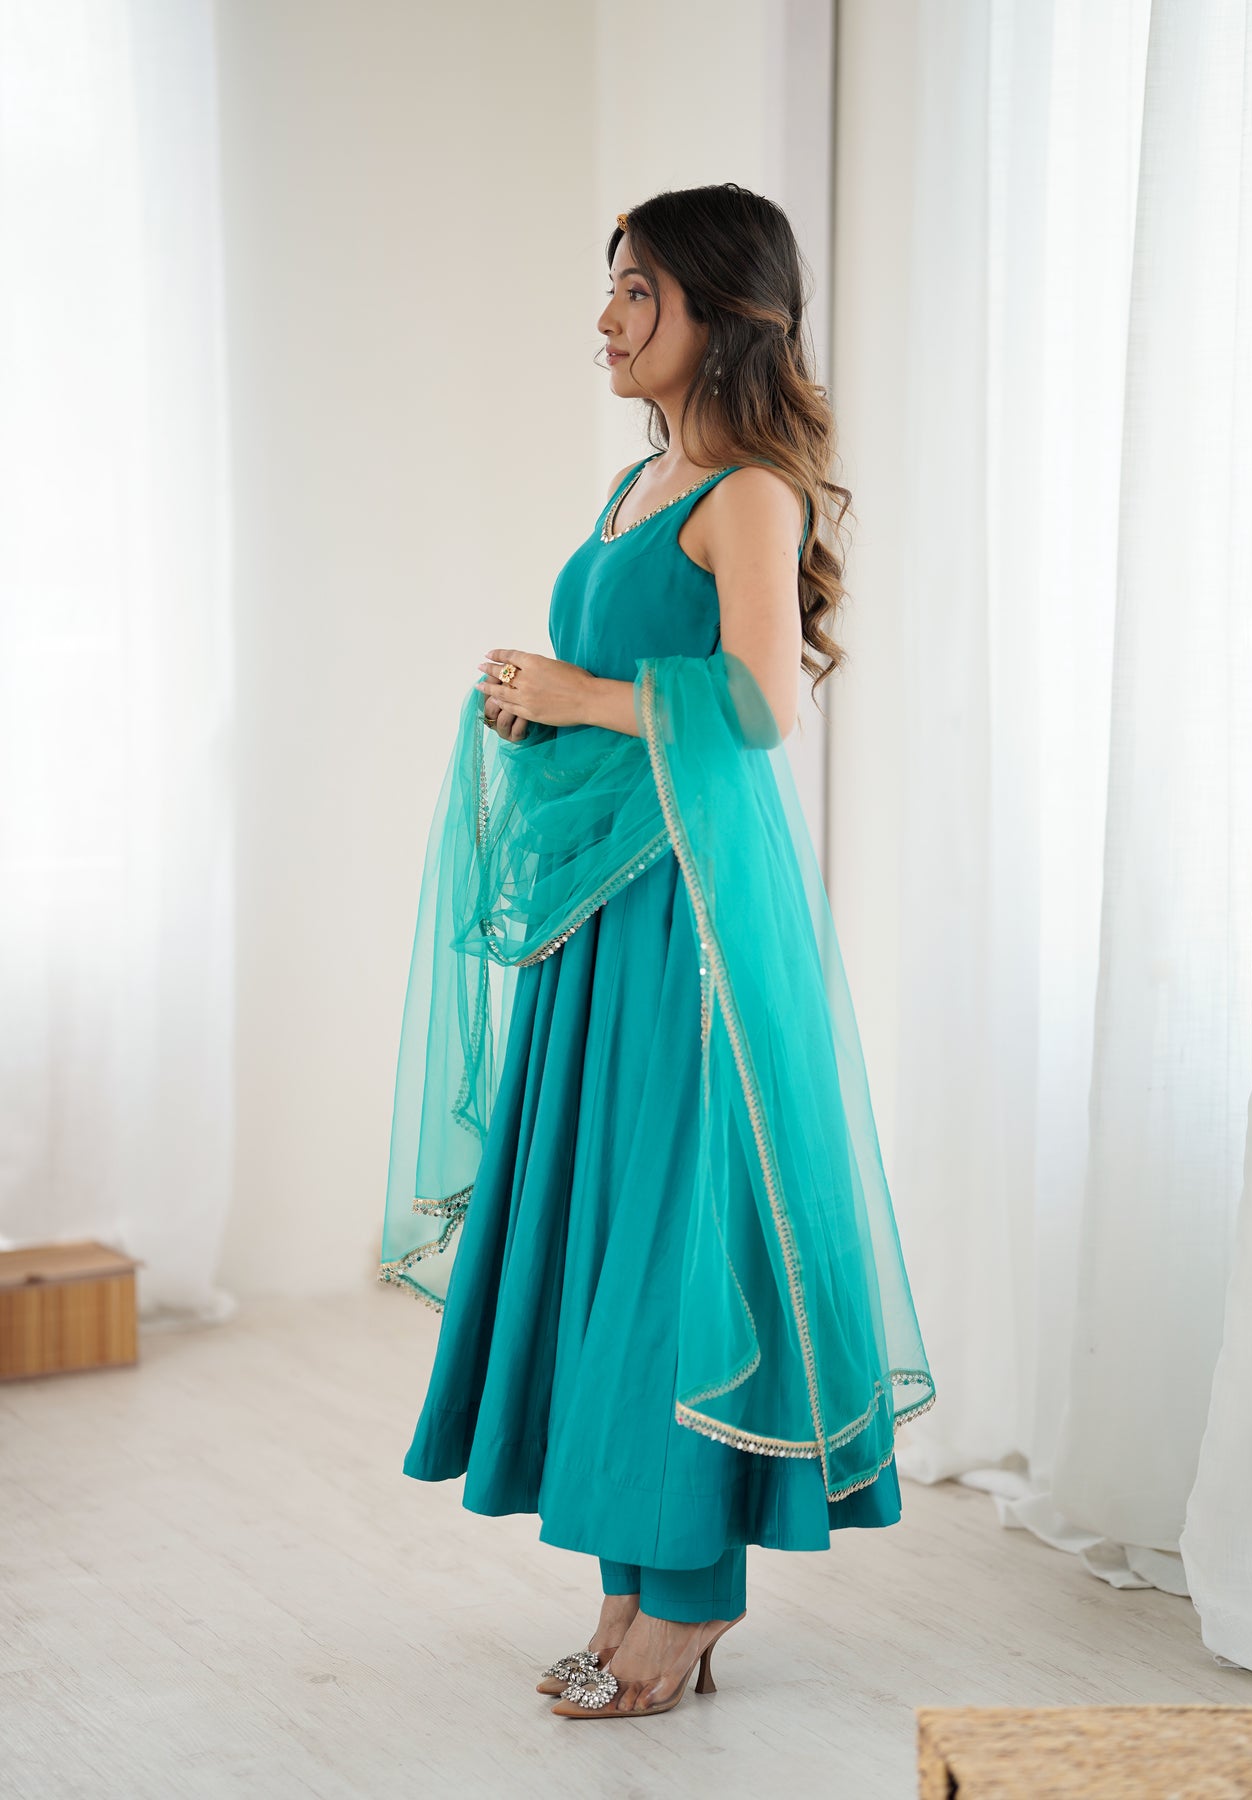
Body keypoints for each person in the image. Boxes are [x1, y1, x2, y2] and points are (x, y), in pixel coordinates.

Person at [380, 182, 934, 1722]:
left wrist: (574, 694)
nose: (608, 317)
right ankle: (627, 1581)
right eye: (611, 286)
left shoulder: (745, 493)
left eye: (638, 290)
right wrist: (540, 712)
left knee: (674, 1243)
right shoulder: (638, 483)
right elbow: (633, 686)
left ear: (721, 308)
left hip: (692, 918)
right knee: (606, 1231)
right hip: (605, 911)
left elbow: (757, 702)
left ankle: (687, 1597)